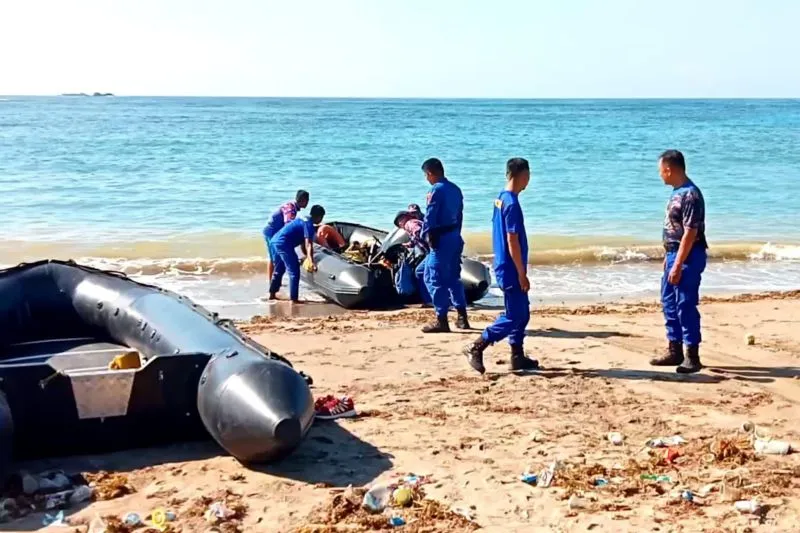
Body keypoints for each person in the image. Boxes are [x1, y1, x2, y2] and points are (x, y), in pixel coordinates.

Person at [463, 158, 539, 374]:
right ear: (523, 175)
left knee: (522, 313)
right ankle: (477, 345)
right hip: (510, 267)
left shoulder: (501, 198)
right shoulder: (511, 204)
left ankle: (517, 355)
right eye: (528, 175)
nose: (529, 180)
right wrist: (521, 273)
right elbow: (511, 240)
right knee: (514, 315)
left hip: (506, 264)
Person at [649, 150, 708, 374]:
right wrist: (668, 256)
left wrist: (678, 263)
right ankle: (675, 349)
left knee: (685, 303)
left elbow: (690, 233)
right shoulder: (677, 192)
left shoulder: (690, 194)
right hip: (674, 253)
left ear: (669, 169)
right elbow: (675, 229)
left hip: (689, 255)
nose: (660, 175)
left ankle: (692, 354)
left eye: (660, 170)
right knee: (669, 301)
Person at [419, 158, 470, 332]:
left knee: (434, 278)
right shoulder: (455, 189)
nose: (427, 179)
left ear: (430, 173)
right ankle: (462, 317)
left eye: (426, 175)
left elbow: (430, 215)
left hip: (440, 239)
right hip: (454, 237)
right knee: (453, 277)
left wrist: (426, 236)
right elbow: (460, 215)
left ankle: (442, 319)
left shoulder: (435, 190)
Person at [268, 204, 326, 302]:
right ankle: (294, 300)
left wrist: (307, 256)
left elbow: (304, 244)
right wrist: (311, 262)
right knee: (294, 271)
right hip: (284, 244)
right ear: (319, 217)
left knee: (279, 269)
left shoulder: (303, 219)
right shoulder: (309, 225)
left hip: (275, 241)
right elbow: (308, 244)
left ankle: (272, 295)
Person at [263, 190, 310, 280]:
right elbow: (288, 224)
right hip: (271, 232)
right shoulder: (290, 208)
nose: (307, 202)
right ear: (304, 200)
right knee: (273, 258)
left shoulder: (293, 207)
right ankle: (271, 283)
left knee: (277, 257)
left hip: (276, 232)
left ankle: (276, 281)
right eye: (307, 200)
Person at [393, 203, 431, 304]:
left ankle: (428, 300)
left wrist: (414, 239)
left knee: (420, 272)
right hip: (432, 251)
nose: (400, 224)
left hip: (432, 252)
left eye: (400, 221)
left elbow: (418, 232)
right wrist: (409, 244)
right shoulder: (417, 221)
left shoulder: (410, 223)